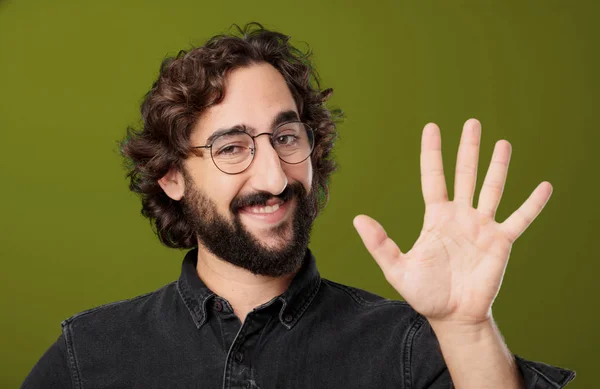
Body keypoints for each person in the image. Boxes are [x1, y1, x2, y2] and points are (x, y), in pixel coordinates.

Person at [22, 22, 575, 389]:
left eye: (286, 138)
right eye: (232, 147)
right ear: (171, 177)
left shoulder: (412, 350)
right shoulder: (89, 357)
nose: (274, 176)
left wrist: (467, 329)